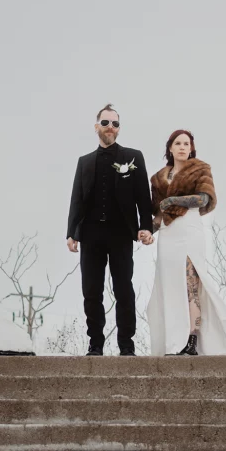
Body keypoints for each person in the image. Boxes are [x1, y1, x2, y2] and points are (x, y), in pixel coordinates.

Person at [66, 104, 153, 356]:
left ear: (119, 128)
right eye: (105, 123)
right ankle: (95, 344)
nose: (110, 128)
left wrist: (145, 227)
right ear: (97, 127)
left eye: (115, 124)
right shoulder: (84, 162)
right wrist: (72, 232)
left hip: (121, 235)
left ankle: (127, 345)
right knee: (91, 291)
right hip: (91, 235)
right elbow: (77, 199)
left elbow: (143, 197)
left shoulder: (133, 157)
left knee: (123, 288)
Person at [146, 130, 226, 356]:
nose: (182, 147)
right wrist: (148, 232)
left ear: (191, 148)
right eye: (177, 143)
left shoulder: (201, 169)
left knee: (192, 283)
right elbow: (159, 214)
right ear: (170, 148)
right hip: (168, 235)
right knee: (169, 285)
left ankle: (192, 339)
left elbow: (204, 199)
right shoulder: (158, 178)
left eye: (186, 143)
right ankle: (172, 341)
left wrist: (174, 200)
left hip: (189, 230)